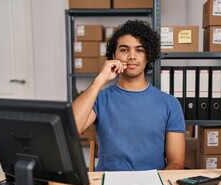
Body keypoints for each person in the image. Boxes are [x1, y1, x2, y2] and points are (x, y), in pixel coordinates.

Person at [72, 19, 185, 171]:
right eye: (124, 50)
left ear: (148, 56)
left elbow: (176, 163)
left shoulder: (170, 104)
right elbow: (71, 128)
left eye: (139, 50)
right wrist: (100, 80)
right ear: (114, 55)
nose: (132, 56)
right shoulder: (100, 98)